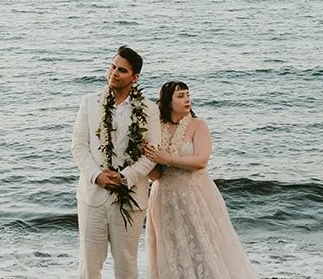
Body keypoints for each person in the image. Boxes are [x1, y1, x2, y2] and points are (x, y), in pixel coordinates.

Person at [142, 80, 258, 279]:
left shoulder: (198, 125)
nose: (187, 99)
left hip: (196, 194)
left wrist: (167, 158)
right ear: (168, 102)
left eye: (187, 94)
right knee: (171, 248)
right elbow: (156, 174)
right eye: (180, 96)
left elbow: (201, 161)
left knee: (203, 245)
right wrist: (143, 156)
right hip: (164, 197)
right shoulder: (155, 129)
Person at [72, 46, 162, 279]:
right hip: (92, 197)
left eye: (121, 70)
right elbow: (79, 147)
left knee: (126, 266)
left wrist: (125, 178)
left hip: (130, 198)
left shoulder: (149, 110)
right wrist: (97, 176)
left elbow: (152, 154)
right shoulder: (90, 102)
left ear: (135, 77)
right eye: (112, 67)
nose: (114, 73)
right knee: (89, 267)